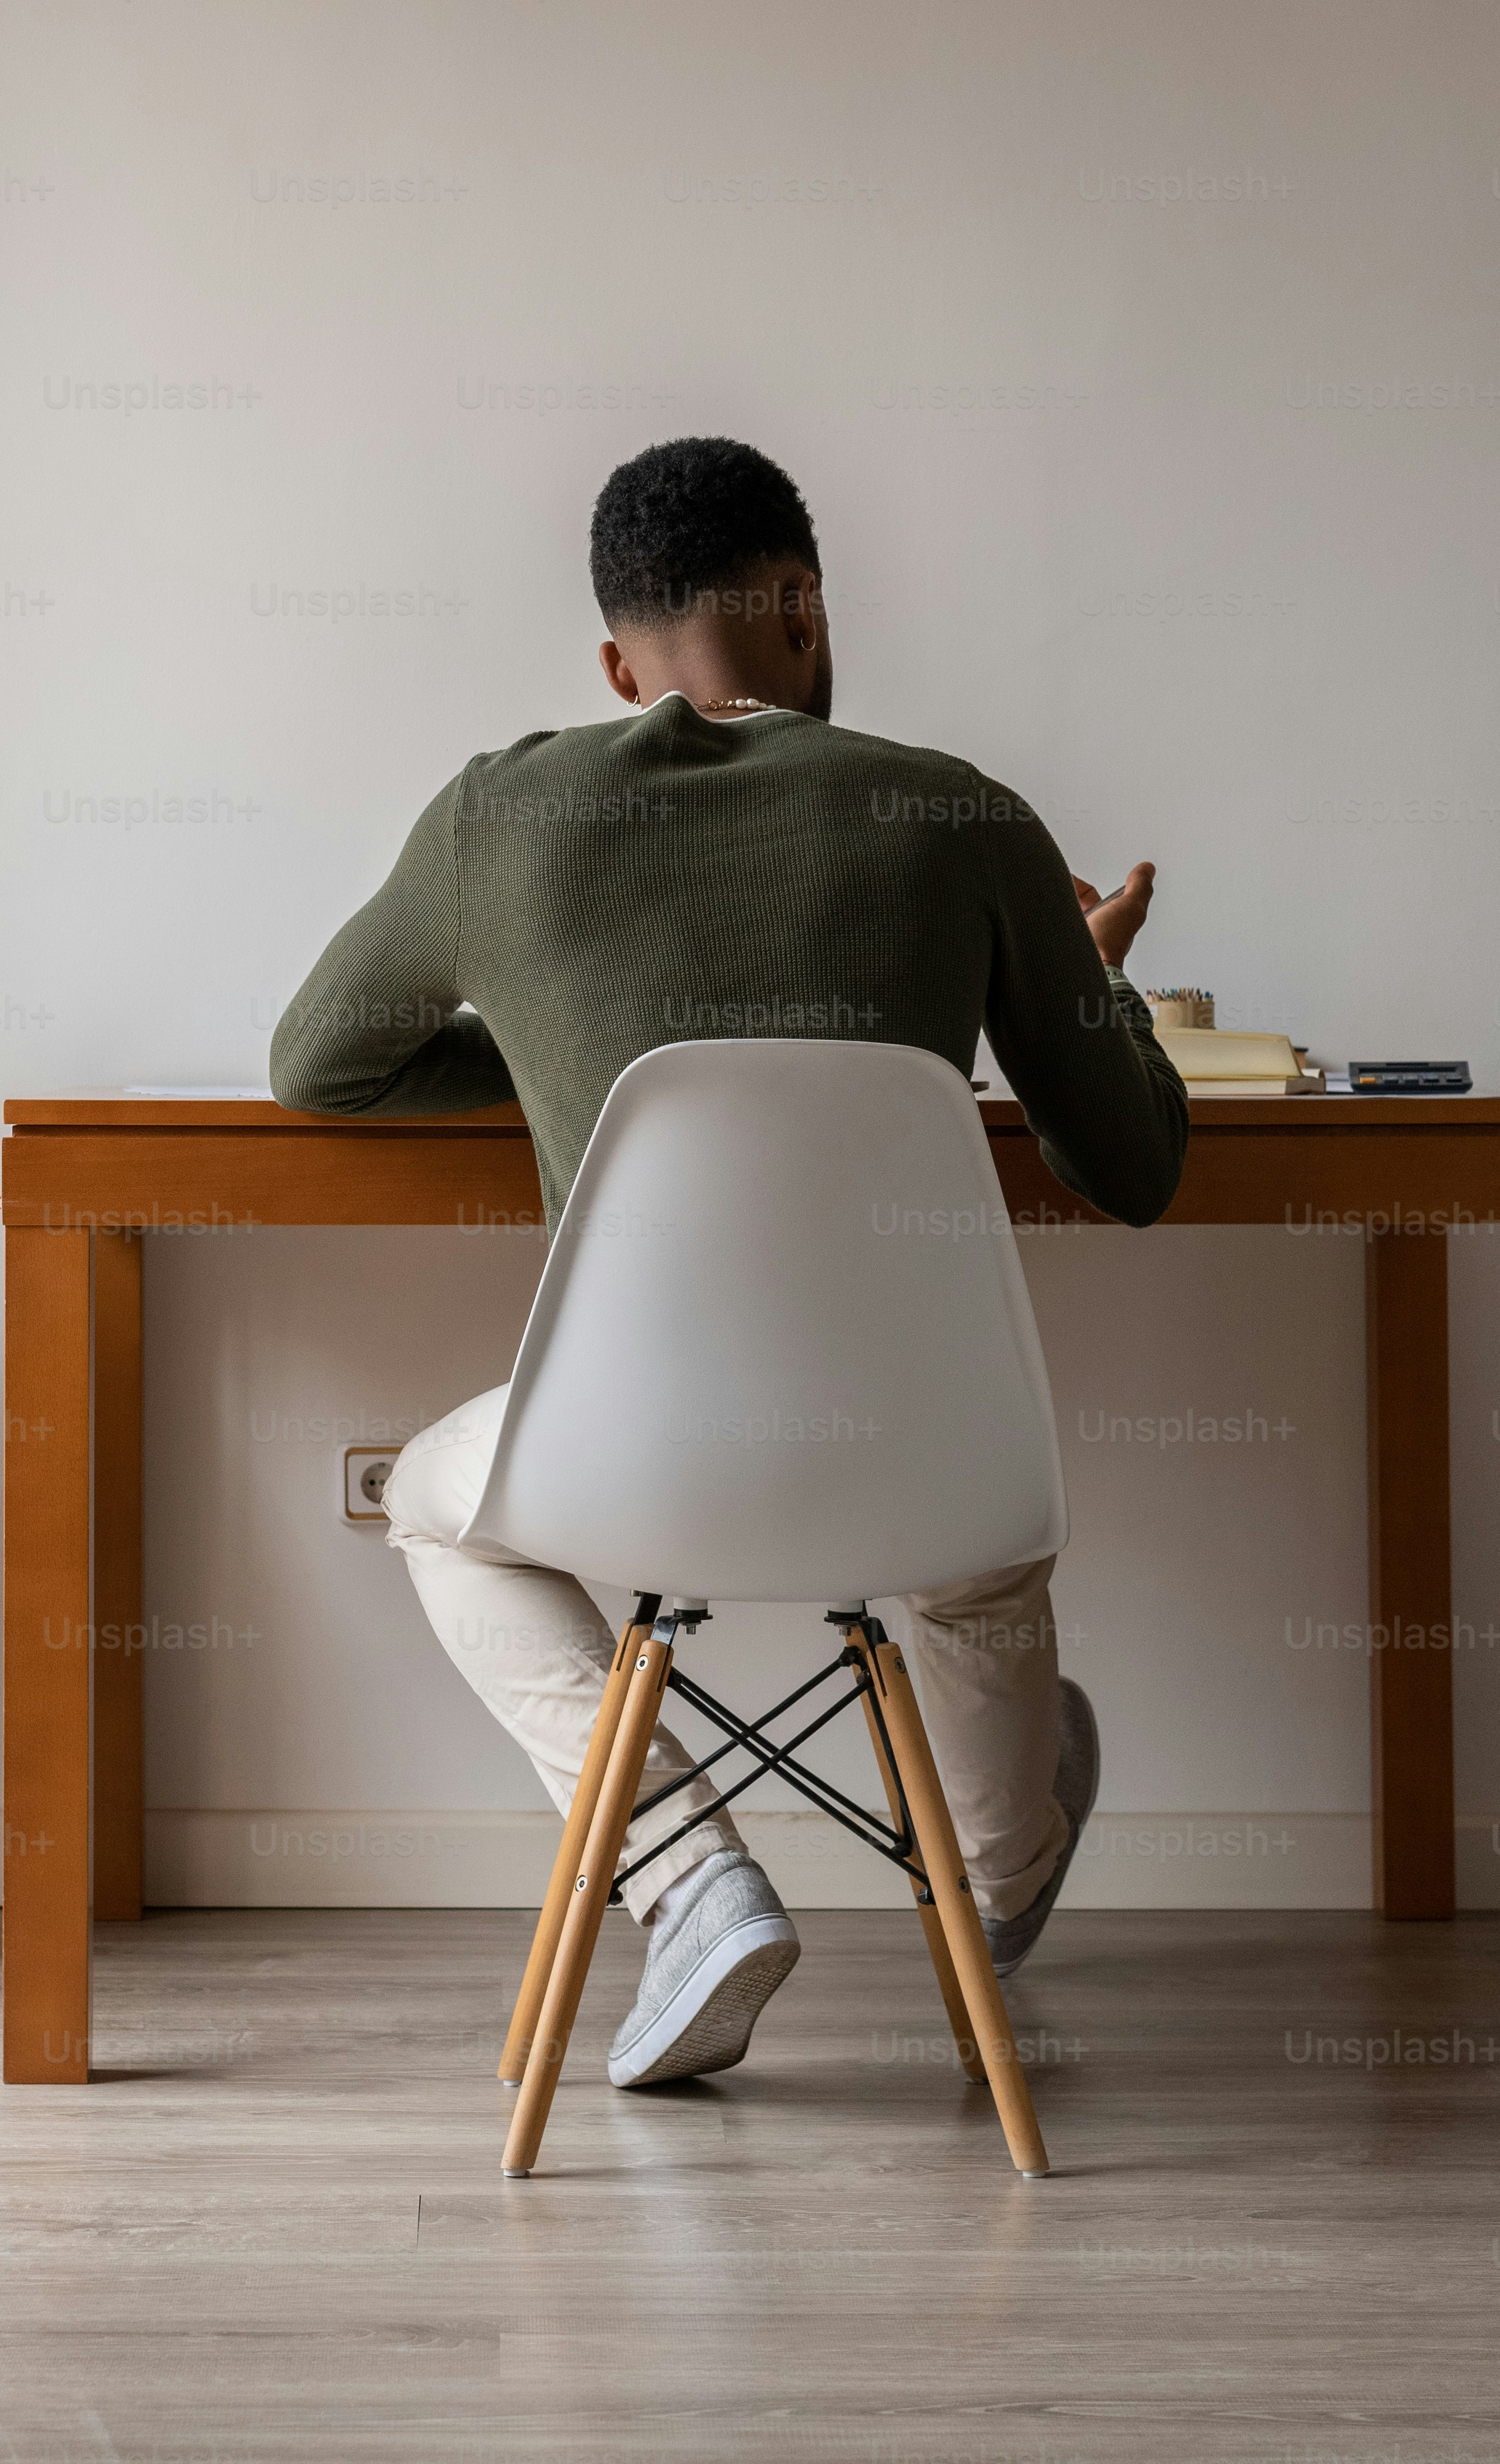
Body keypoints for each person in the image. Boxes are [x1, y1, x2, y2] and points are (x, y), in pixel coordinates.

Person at [270, 435, 1187, 2088]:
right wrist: (1094, 985)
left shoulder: (501, 812)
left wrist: (571, 1058)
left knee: (430, 1495)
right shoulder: (963, 816)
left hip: (619, 1467)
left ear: (621, 667)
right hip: (919, 1463)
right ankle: (1006, 1867)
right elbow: (1132, 1169)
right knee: (971, 1516)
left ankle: (688, 1876)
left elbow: (316, 1068)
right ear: (805, 613)